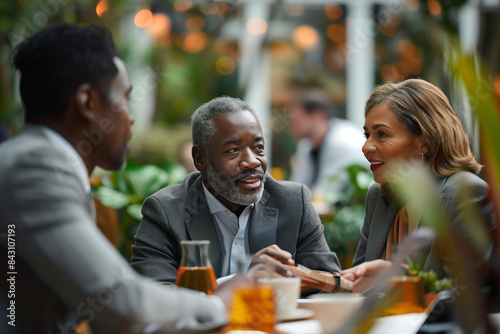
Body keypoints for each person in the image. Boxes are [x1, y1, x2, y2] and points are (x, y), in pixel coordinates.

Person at [0, 23, 253, 334]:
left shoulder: (38, 161)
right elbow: (120, 303)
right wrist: (221, 303)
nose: (131, 118)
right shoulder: (35, 169)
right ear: (87, 103)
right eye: (125, 99)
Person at [131, 96, 341, 287]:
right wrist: (241, 281)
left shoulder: (294, 202)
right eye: (233, 150)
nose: (252, 162)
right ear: (200, 159)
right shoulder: (166, 211)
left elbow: (329, 281)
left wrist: (286, 279)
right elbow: (154, 296)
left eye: (258, 147)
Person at [340, 78, 495, 293]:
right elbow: (356, 285)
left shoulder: (464, 191)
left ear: (425, 141)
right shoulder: (379, 195)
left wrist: (395, 276)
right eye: (367, 135)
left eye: (381, 134)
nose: (366, 147)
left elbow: (466, 294)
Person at [289, 90, 368, 197]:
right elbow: (297, 186)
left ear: (317, 116)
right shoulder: (306, 145)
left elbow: (325, 192)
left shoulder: (342, 140)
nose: (293, 127)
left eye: (297, 120)